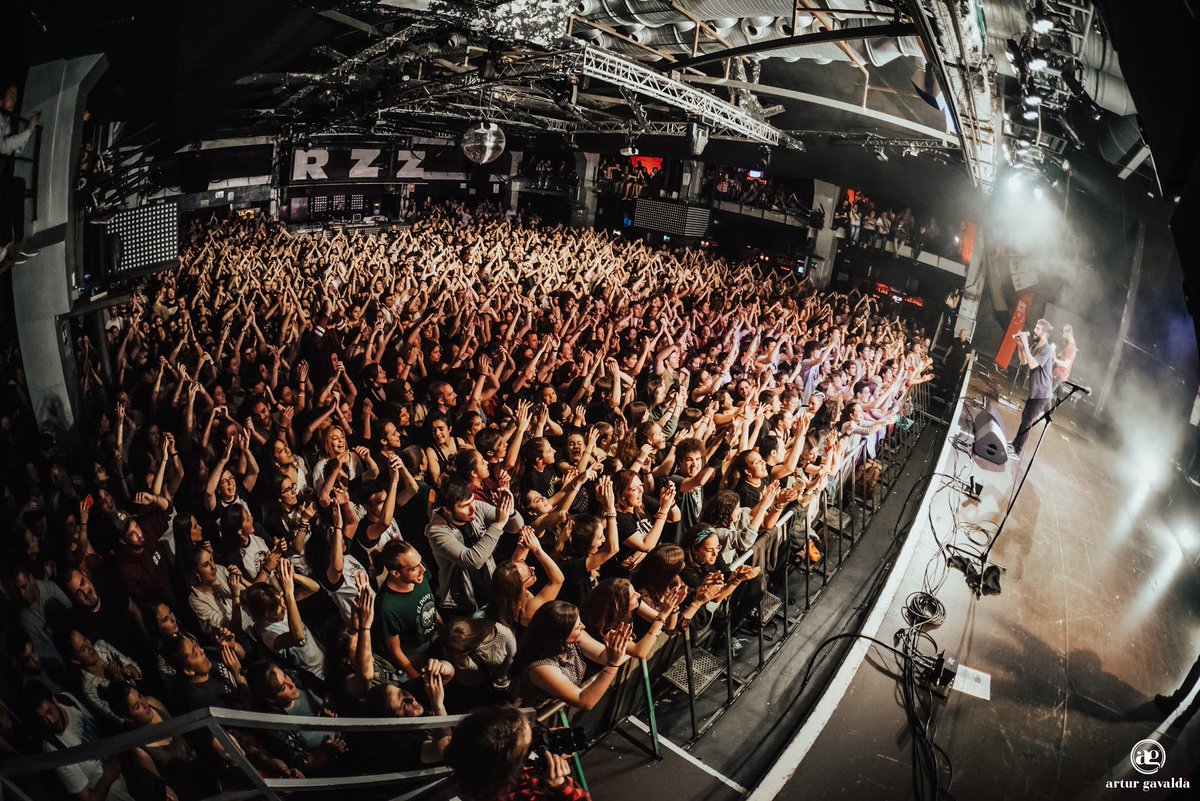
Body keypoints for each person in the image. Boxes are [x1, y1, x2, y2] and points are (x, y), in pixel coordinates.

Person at [445, 705, 591, 801]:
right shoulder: (522, 794)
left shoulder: (476, 762)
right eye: (528, 746)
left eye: (534, 729)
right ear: (512, 766)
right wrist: (559, 785)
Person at [29, 681, 137, 801]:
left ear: (54, 701)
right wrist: (108, 776)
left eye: (49, 711)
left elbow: (95, 728)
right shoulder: (53, 747)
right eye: (42, 718)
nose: (51, 720)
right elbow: (88, 799)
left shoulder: (67, 700)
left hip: (125, 774)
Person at [0, 84, 41, 265]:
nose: (14, 100)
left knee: (19, 183)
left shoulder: (6, 121)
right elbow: (3, 147)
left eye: (16, 96)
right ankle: (6, 243)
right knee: (9, 187)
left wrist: (27, 129)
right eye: (11, 95)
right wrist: (28, 131)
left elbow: (14, 149)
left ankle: (18, 240)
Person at [1010, 318, 1056, 457]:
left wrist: (1025, 342)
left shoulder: (1046, 349)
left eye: (1038, 329)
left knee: (1027, 421)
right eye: (1035, 328)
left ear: (1045, 333)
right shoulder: (1035, 346)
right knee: (1025, 417)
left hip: (1042, 394)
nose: (1034, 331)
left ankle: (1017, 451)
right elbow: (1024, 361)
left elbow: (1033, 364)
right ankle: (1014, 444)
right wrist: (1020, 346)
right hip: (1036, 391)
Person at [1053, 323, 1077, 388]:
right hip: (1057, 373)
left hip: (1059, 375)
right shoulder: (1069, 346)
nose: (1063, 336)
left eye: (1064, 334)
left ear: (1069, 333)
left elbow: (1066, 364)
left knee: (1044, 395)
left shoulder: (1072, 348)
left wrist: (1055, 359)